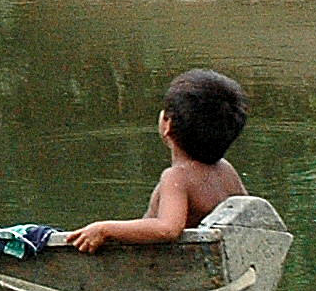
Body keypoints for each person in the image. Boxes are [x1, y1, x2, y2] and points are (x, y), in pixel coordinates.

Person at [66, 69, 248, 252]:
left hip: (160, 265)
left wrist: (105, 228)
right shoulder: (226, 170)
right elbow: (248, 214)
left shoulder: (176, 177)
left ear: (167, 125)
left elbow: (168, 229)